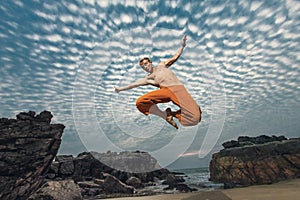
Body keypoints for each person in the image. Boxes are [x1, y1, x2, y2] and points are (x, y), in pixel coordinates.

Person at [114, 35, 201, 129]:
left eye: (146, 64)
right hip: (166, 91)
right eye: (143, 67)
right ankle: (164, 115)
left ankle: (172, 114)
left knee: (196, 118)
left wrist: (182, 46)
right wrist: (120, 89)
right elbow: (134, 85)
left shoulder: (162, 65)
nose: (145, 67)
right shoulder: (148, 78)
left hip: (179, 90)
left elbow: (175, 57)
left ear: (150, 62)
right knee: (140, 102)